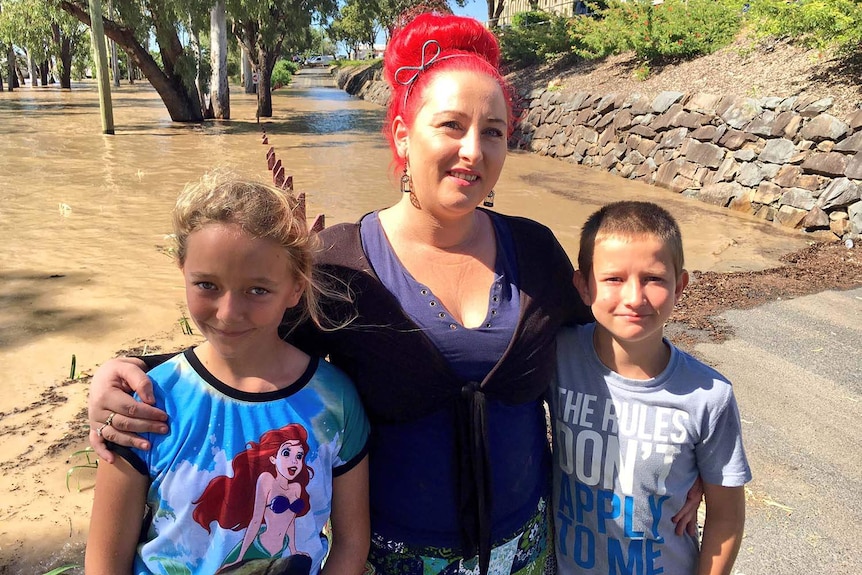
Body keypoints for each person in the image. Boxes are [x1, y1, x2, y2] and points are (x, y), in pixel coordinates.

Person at [84, 13, 700, 575]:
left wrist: (686, 455)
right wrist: (127, 372)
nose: (473, 150)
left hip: (528, 551)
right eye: (451, 126)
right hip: (386, 557)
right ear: (404, 136)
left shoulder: (536, 252)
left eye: (494, 132)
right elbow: (241, 348)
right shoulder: (342, 266)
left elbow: (616, 346)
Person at [84, 175, 370, 575]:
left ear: (295, 288)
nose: (228, 313)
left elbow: (352, 543)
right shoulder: (146, 402)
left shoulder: (335, 400)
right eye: (207, 285)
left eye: (257, 290)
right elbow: (104, 562)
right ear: (181, 269)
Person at [550, 201, 751, 575]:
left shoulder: (709, 396)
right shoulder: (557, 355)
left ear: (681, 286)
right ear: (583, 285)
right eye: (613, 279)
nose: (634, 298)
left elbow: (726, 518)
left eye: (654, 278)